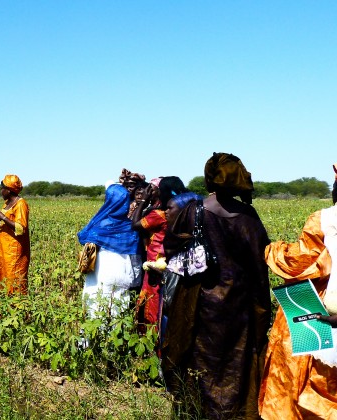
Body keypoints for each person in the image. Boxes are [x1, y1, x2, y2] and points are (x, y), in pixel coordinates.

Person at [161, 153, 271, 419]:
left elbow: (171, 246)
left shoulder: (193, 211)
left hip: (199, 301)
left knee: (200, 359)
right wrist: (261, 308)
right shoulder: (248, 216)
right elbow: (260, 262)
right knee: (236, 361)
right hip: (240, 304)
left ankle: (199, 411)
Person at [258, 163, 337, 419]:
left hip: (322, 306)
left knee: (306, 379)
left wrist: (272, 250)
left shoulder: (323, 220)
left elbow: (300, 261)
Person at [131, 176, 187, 330]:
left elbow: (135, 225)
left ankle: (152, 336)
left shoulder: (160, 214)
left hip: (156, 261)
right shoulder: (183, 210)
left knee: (154, 300)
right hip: (172, 261)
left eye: (153, 189)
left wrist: (143, 201)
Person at [77, 183, 140, 318]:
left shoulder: (99, 224)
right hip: (122, 271)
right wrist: (136, 280)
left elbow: (84, 237)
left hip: (100, 271)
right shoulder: (130, 227)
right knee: (118, 310)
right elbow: (135, 257)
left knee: (94, 308)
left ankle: (93, 338)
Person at [0, 175, 30, 295]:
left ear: (9, 190)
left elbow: (21, 229)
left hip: (14, 252)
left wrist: (3, 217)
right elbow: (1, 227)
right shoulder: (6, 203)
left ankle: (16, 310)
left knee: (14, 281)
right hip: (2, 250)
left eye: (2, 188)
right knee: (0, 278)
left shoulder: (21, 204)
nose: (1, 191)